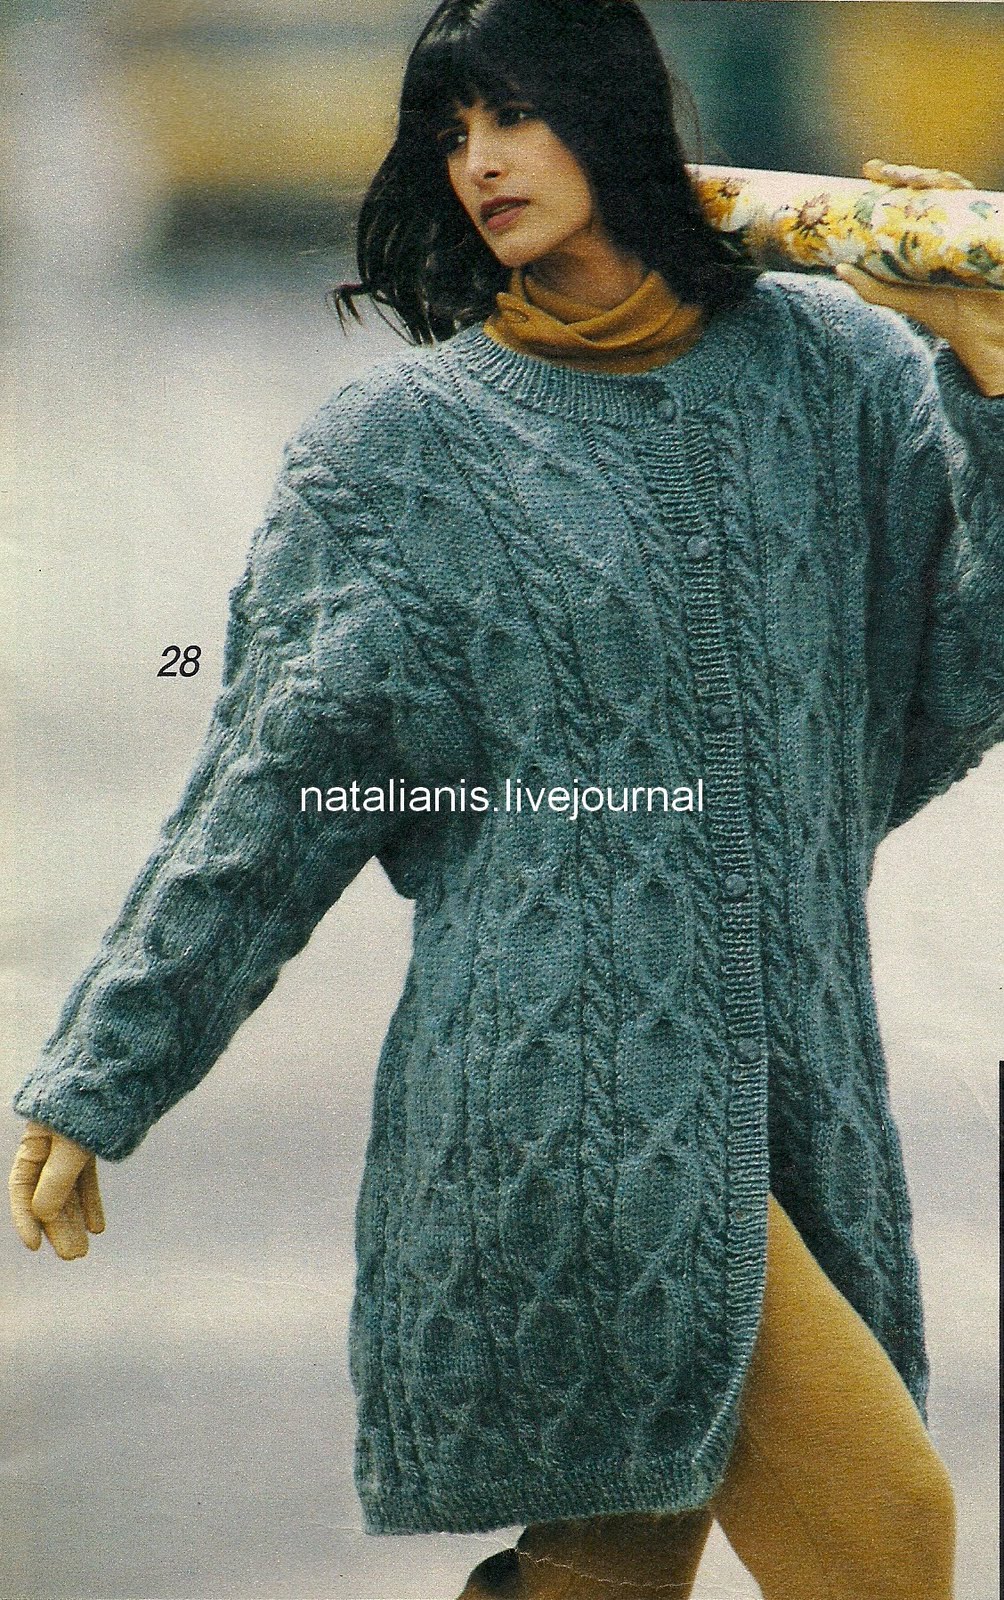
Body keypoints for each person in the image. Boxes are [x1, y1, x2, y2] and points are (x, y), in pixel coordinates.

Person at [9, 1, 1003, 1596]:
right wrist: (99, 1073)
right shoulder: (400, 459)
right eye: (452, 130)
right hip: (563, 1103)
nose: (480, 161)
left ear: (617, 115)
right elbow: (266, 800)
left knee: (613, 1569)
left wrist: (989, 390)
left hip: (799, 1094)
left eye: (515, 115)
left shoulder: (836, 374)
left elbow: (948, 683)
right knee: (889, 1542)